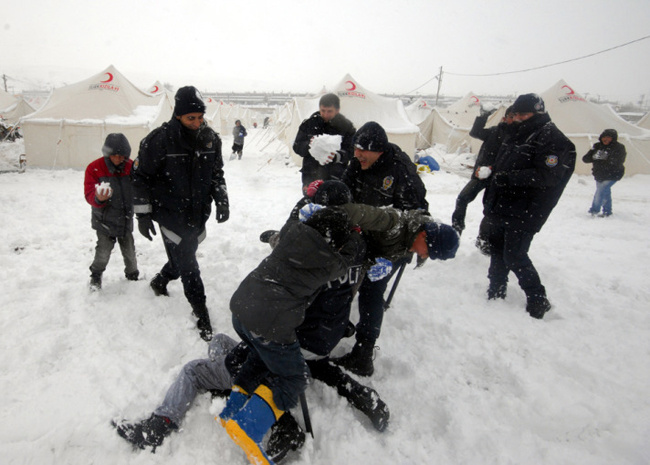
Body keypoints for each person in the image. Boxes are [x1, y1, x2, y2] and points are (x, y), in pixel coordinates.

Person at [220, 208, 365, 465]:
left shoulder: (290, 232)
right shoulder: (327, 261)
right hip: (271, 321)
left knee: (258, 355)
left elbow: (293, 219)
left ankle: (231, 409)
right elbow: (349, 258)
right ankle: (248, 427)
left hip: (241, 307)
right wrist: (354, 234)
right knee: (296, 377)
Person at [132, 86, 230, 341]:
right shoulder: (159, 140)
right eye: (190, 118)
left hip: (197, 213)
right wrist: (142, 214)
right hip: (170, 214)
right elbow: (140, 177)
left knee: (182, 258)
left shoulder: (210, 139)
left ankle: (160, 281)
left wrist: (222, 200)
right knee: (189, 265)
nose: (197, 123)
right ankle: (201, 314)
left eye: (200, 117)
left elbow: (216, 173)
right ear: (178, 115)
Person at [113, 333, 305, 462]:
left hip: (256, 363)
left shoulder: (287, 292)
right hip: (271, 355)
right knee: (219, 340)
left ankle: (159, 425)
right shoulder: (313, 298)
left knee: (192, 372)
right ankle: (223, 388)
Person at [337, 121, 428, 376]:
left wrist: (394, 256)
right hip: (362, 230)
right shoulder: (358, 162)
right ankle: (334, 321)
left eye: (362, 150)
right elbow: (344, 190)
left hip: (393, 244)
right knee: (336, 266)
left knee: (371, 289)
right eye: (355, 149)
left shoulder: (401, 171)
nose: (357, 155)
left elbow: (417, 219)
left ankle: (364, 353)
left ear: (379, 150)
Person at [476, 93, 576, 319]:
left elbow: (549, 176)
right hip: (503, 204)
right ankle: (496, 290)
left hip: (526, 209)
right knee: (498, 250)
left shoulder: (551, 137)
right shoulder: (517, 134)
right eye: (516, 113)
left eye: (523, 113)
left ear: (538, 112)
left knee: (515, 255)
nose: (518, 117)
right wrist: (493, 174)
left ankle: (537, 298)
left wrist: (509, 178)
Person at [84, 133, 139, 290]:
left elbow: (140, 188)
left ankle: (132, 274)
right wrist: (98, 198)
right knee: (103, 252)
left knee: (129, 250)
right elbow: (88, 194)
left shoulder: (131, 167)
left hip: (126, 218)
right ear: (107, 154)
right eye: (114, 155)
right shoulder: (95, 168)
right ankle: (96, 275)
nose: (118, 159)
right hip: (104, 221)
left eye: (121, 156)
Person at [451, 106, 515, 234]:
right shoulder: (494, 131)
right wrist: (483, 116)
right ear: (504, 118)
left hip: (499, 178)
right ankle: (456, 230)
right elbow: (475, 132)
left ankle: (484, 239)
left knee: (490, 209)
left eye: (517, 117)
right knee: (462, 198)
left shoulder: (517, 138)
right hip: (481, 175)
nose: (515, 120)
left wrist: (494, 168)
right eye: (512, 116)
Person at [293, 93, 356, 190]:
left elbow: (352, 150)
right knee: (310, 202)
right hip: (311, 174)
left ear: (337, 110)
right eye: (323, 111)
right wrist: (310, 145)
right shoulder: (309, 124)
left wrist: (337, 156)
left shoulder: (347, 127)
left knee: (333, 202)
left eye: (329, 111)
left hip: (336, 175)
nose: (325, 114)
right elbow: (297, 146)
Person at [582, 128, 626, 217]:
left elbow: (619, 160)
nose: (606, 139)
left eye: (609, 137)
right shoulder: (597, 146)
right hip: (599, 174)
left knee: (600, 190)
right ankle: (607, 211)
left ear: (613, 138)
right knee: (605, 192)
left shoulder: (619, 147)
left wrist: (605, 156)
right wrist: (594, 155)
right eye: (604, 137)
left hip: (613, 174)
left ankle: (594, 210)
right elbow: (586, 159)